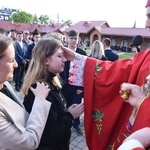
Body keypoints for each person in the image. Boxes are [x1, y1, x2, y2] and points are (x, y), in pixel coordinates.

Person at [22, 37, 84, 150]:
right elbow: (51, 134)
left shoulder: (51, 81)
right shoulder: (39, 89)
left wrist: (67, 111)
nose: (65, 60)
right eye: (59, 56)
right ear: (46, 60)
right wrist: (70, 115)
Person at [0, 35, 51, 150]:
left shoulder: (5, 85)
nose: (16, 65)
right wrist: (40, 100)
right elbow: (29, 142)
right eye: (11, 60)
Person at [60, 29, 87, 135]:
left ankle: (76, 124)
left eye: (75, 38)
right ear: (67, 38)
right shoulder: (63, 52)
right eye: (71, 38)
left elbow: (85, 72)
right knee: (65, 105)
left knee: (76, 105)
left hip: (77, 87)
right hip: (65, 85)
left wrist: (81, 88)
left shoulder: (82, 53)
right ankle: (65, 123)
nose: (73, 40)